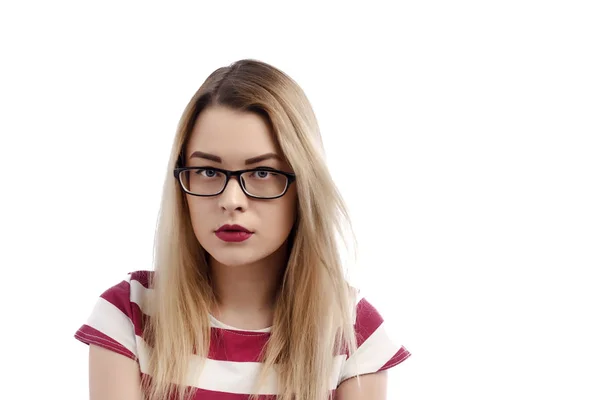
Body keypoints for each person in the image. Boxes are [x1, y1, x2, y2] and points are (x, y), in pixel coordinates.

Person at [74, 59, 410, 400]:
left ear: (304, 187)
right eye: (207, 171)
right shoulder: (129, 316)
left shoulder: (354, 334)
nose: (230, 200)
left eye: (262, 172)